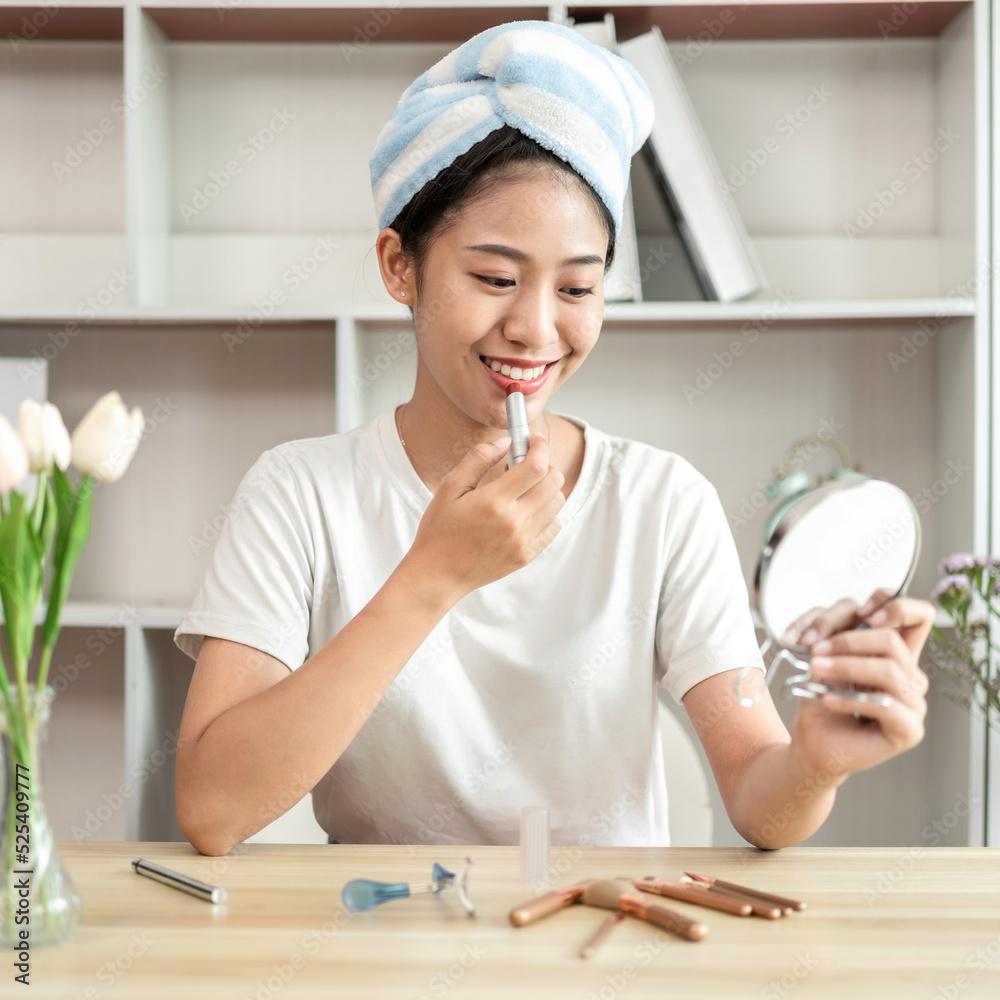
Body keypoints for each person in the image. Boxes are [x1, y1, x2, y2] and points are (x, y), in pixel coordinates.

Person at [173, 20, 935, 857]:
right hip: (386, 945)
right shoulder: (300, 493)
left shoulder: (661, 501)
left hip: (605, 948)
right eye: (495, 278)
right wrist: (433, 577)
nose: (535, 330)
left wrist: (814, 764)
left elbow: (761, 800)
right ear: (400, 266)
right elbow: (213, 811)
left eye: (578, 286)